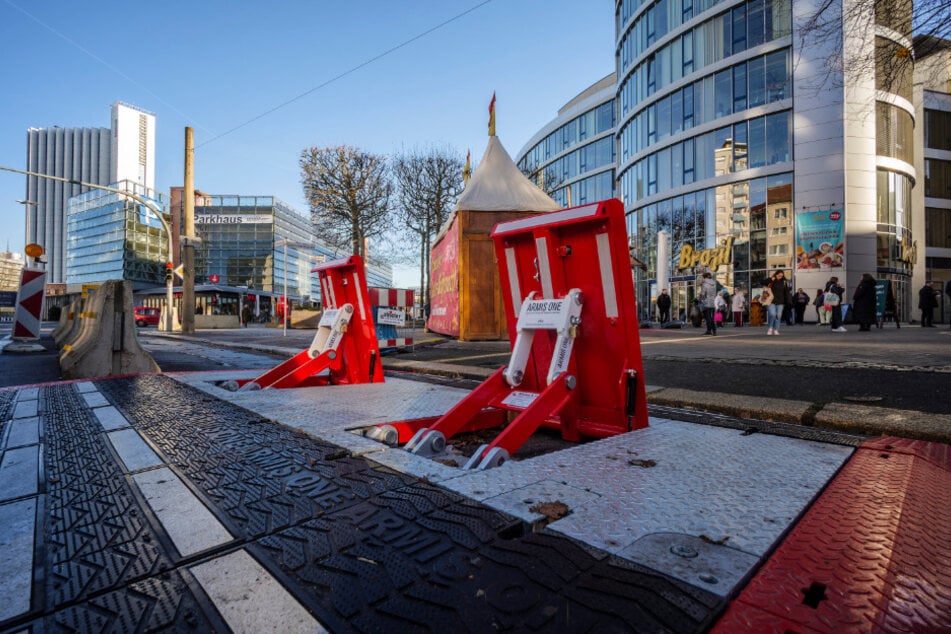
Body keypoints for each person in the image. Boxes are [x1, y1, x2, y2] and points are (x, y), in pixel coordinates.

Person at [764, 270, 791, 335]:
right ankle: (770, 328)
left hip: (780, 302)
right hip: (771, 301)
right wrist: (771, 279)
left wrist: (789, 301)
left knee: (778, 316)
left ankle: (776, 329)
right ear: (776, 274)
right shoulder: (772, 281)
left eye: (781, 276)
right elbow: (762, 282)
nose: (780, 277)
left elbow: (787, 292)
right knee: (773, 314)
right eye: (779, 275)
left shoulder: (784, 282)